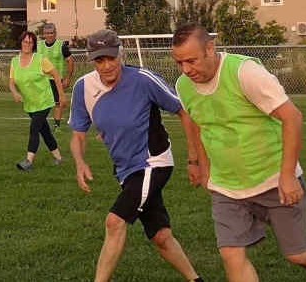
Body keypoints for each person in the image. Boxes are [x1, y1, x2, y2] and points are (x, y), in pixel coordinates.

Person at [171, 24, 306, 282]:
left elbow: (292, 118)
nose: (186, 70)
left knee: (297, 254)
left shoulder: (245, 73)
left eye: (191, 61)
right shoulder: (183, 86)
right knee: (232, 255)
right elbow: (200, 124)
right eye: (179, 63)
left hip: (273, 179)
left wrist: (287, 176)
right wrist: (201, 166)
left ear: (210, 48)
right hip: (227, 187)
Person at [69, 29, 206, 282]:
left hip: (153, 163)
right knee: (161, 236)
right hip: (126, 169)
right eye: (100, 60)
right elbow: (78, 134)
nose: (107, 65)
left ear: (121, 54)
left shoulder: (143, 79)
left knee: (114, 222)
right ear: (92, 60)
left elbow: (184, 112)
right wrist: (79, 162)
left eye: (111, 57)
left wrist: (194, 160)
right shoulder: (83, 88)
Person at [9, 31, 66, 171]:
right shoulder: (14, 61)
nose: (27, 44)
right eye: (25, 41)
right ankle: (59, 158)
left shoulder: (40, 59)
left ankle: (28, 161)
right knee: (44, 131)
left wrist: (62, 95)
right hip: (30, 104)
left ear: (33, 44)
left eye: (30, 42)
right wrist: (15, 93)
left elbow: (56, 75)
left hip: (44, 101)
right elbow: (11, 82)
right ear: (21, 42)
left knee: (34, 128)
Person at [37, 23, 75, 132]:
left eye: (51, 33)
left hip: (57, 79)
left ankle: (57, 126)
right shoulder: (38, 46)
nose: (49, 35)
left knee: (58, 103)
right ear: (43, 34)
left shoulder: (61, 46)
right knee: (41, 102)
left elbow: (70, 61)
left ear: (55, 33)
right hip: (42, 79)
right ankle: (40, 123)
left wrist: (68, 78)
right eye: (47, 33)